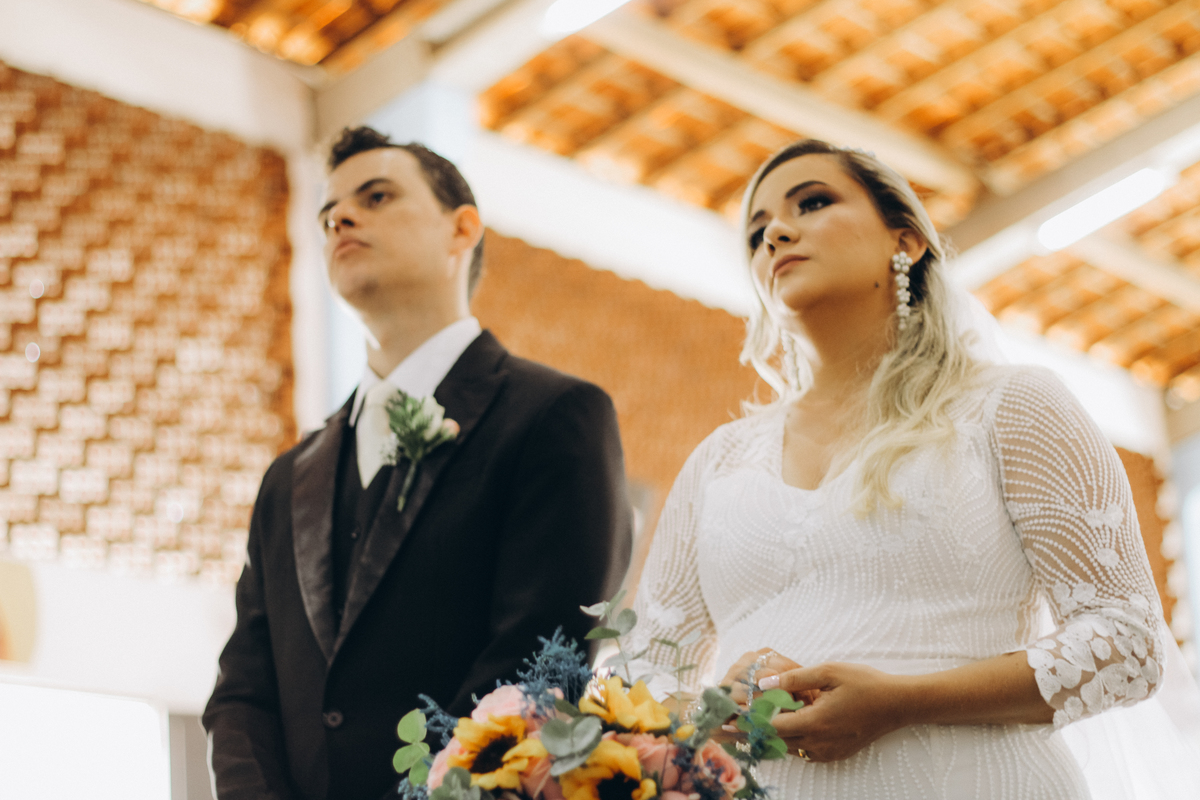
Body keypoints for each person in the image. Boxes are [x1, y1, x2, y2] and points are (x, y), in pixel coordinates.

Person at [627, 139, 1197, 798]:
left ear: (907, 240)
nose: (775, 233)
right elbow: (643, 682)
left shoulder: (1010, 406)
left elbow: (1127, 645)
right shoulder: (718, 462)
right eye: (757, 233)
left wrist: (901, 700)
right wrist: (714, 711)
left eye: (812, 203)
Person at [203, 127, 633, 800]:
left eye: (376, 197)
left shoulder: (554, 416)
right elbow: (243, 691)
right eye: (328, 214)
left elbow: (539, 661)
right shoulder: (287, 479)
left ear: (461, 230)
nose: (342, 219)